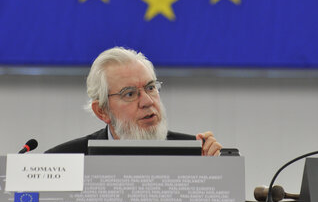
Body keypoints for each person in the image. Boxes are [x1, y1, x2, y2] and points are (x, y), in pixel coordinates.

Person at [46, 47, 222, 156]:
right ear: (102, 111)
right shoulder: (66, 161)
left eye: (151, 88)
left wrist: (216, 170)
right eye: (129, 94)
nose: (147, 101)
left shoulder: (195, 154)